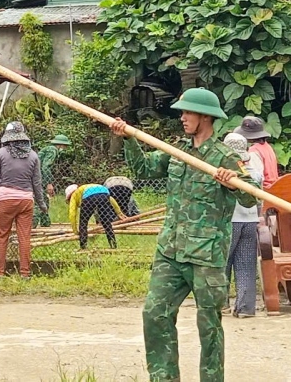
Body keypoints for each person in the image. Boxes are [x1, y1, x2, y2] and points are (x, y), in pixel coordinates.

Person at [109, 87, 252, 382]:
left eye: (187, 112)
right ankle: (164, 377)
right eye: (182, 112)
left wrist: (234, 182)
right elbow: (144, 169)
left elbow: (253, 198)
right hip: (170, 251)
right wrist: (130, 138)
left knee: (209, 326)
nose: (183, 117)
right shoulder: (178, 151)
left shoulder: (224, 157)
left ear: (205, 117)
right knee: (154, 314)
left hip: (206, 256)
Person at [0, 121, 46, 279]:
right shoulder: (34, 155)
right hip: (26, 201)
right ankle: (25, 273)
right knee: (24, 237)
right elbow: (37, 183)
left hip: (6, 200)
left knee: (2, 236)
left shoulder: (0, 154)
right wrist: (42, 204)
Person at [222, 132, 263, 318]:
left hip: (229, 222)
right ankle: (245, 308)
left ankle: (221, 304)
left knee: (222, 263)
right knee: (246, 265)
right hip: (250, 221)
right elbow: (259, 201)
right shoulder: (254, 173)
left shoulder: (223, 174)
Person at [66, 182, 123, 249]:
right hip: (104, 192)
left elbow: (72, 214)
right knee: (106, 222)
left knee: (83, 222)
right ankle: (113, 245)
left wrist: (75, 230)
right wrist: (119, 213)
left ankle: (83, 246)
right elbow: (111, 199)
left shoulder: (74, 195)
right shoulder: (84, 187)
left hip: (89, 196)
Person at [34, 134, 70, 227]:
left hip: (36, 178)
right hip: (37, 179)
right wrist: (49, 183)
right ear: (61, 145)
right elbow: (45, 167)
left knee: (44, 200)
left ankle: (45, 223)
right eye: (65, 146)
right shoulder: (52, 150)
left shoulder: (49, 149)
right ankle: (31, 226)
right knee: (40, 202)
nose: (65, 148)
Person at [235, 116, 279, 189]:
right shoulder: (267, 146)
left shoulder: (253, 152)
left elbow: (256, 179)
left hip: (265, 191)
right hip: (274, 188)